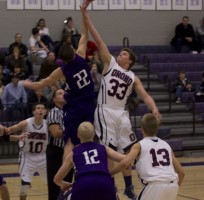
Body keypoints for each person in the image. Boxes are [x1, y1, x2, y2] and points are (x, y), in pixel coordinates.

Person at [81, 1, 160, 199]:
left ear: (130, 61)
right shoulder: (111, 64)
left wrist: (154, 107)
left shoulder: (133, 77)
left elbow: (145, 95)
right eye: (121, 52)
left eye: (124, 53)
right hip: (105, 110)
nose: (120, 54)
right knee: (109, 150)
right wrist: (87, 17)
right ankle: (111, 186)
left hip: (121, 113)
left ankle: (128, 186)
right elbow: (99, 42)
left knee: (128, 151)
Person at [23, 8, 95, 160]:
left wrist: (28, 84)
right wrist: (84, 14)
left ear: (62, 59)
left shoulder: (62, 71)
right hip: (90, 102)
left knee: (69, 141)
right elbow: (84, 33)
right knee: (88, 138)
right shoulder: (81, 56)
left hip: (75, 105)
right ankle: (87, 165)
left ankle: (66, 176)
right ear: (74, 51)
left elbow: (41, 84)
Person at [110, 113, 185, 200]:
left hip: (154, 186)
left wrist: (109, 174)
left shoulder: (139, 145)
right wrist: (174, 189)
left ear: (142, 129)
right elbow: (182, 173)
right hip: (173, 186)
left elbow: (125, 163)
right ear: (157, 128)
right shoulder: (167, 145)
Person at [54, 121, 125, 200]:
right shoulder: (104, 148)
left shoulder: (73, 153)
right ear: (94, 134)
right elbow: (125, 160)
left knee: (63, 195)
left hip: (83, 184)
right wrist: (111, 173)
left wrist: (63, 184)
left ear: (78, 135)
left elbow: (57, 179)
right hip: (105, 183)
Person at [6, 103, 48, 200]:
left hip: (43, 157)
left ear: (45, 112)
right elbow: (10, 134)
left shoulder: (48, 125)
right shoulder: (26, 123)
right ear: (33, 111)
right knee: (24, 187)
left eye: (42, 108)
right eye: (38, 108)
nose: (40, 110)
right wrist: (17, 136)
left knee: (53, 183)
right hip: (27, 156)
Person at [46, 89, 73, 200]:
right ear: (54, 99)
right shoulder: (54, 112)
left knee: (68, 183)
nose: (63, 95)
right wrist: (73, 130)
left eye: (64, 93)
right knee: (55, 185)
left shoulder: (70, 111)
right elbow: (56, 132)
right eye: (59, 93)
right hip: (56, 152)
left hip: (69, 150)